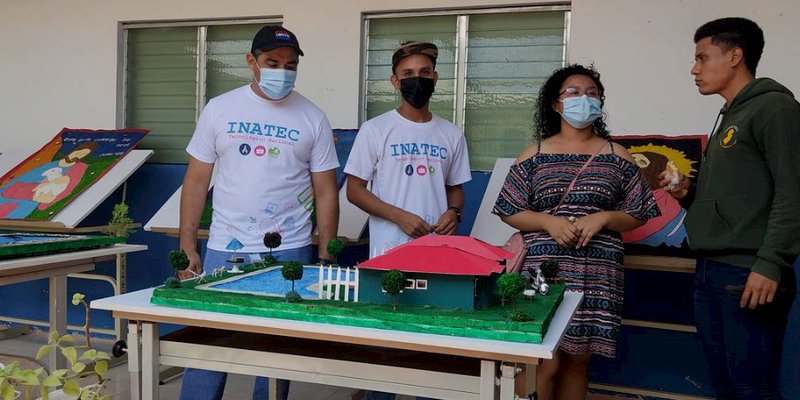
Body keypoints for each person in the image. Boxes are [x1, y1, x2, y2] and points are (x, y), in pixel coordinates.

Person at [177, 25, 340, 400]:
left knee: (274, 353)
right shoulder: (220, 109)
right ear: (251, 61)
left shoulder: (312, 117)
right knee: (210, 347)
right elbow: (196, 182)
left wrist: (327, 252)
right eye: (272, 62)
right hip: (225, 248)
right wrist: (188, 245)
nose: (281, 72)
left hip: (289, 250)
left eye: (290, 65)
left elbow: (326, 191)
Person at [493, 64, 659, 400]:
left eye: (591, 93)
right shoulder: (534, 154)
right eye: (573, 92)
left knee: (578, 361)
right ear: (556, 104)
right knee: (543, 359)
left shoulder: (616, 155)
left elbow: (639, 212)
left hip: (597, 273)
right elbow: (509, 209)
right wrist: (547, 222)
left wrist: (605, 218)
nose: (583, 98)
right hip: (543, 273)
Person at [660, 17, 799, 399]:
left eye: (703, 58)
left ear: (735, 55)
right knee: (726, 385)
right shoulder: (730, 115)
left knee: (753, 388)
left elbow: (793, 191)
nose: (695, 68)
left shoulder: (774, 108)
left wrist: (770, 263)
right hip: (711, 270)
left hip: (748, 271)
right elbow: (741, 196)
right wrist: (687, 193)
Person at [344, 41, 472, 400]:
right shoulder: (376, 129)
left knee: (431, 341)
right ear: (394, 82)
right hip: (389, 253)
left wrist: (454, 213)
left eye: (425, 73)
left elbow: (456, 191)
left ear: (436, 78)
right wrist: (398, 215)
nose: (418, 80)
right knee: (387, 344)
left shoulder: (451, 133)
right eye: (408, 74)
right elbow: (354, 190)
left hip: (436, 254)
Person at [0, 141, 97, 218]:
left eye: (82, 155)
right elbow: (23, 179)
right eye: (78, 152)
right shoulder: (49, 165)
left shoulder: (75, 170)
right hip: (13, 193)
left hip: (25, 202)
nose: (78, 156)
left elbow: (67, 189)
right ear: (73, 150)